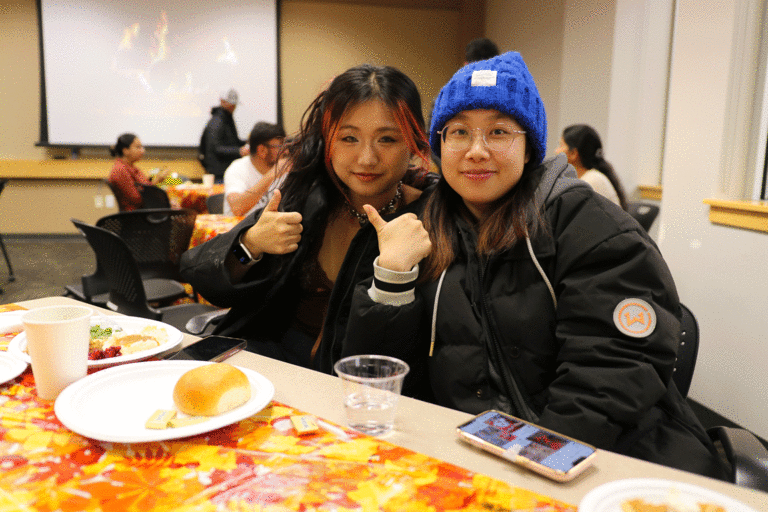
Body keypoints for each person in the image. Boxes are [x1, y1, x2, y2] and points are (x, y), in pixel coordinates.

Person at [339, 52, 727, 479]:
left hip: (595, 462)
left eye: (499, 132)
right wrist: (392, 278)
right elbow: (375, 376)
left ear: (529, 148)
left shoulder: (589, 226)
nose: (476, 151)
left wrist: (530, 467)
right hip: (463, 453)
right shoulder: (420, 229)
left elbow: (611, 373)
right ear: (438, 146)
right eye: (459, 132)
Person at [180, 63, 438, 369]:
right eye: (349, 138)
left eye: (387, 139)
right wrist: (250, 244)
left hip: (346, 385)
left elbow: (405, 360)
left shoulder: (429, 221)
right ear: (328, 141)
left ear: (413, 143)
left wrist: (394, 276)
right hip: (265, 363)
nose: (367, 158)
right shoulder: (308, 197)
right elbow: (200, 275)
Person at [556, 124, 627, 210]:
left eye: (561, 146)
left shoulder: (592, 181)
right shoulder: (585, 179)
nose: (556, 151)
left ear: (573, 154)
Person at [223, 122, 286, 217]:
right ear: (262, 150)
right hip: (239, 229)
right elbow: (237, 208)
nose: (285, 151)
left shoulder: (284, 169)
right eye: (280, 146)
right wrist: (272, 174)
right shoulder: (237, 168)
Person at [108, 133, 169, 211]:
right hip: (137, 216)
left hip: (145, 212)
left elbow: (146, 187)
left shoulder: (131, 167)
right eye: (138, 147)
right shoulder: (120, 171)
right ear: (125, 151)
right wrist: (157, 181)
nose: (143, 151)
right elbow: (139, 200)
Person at [199, 89, 249, 182]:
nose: (233, 107)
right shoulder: (217, 122)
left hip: (225, 171)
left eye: (234, 104)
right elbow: (216, 148)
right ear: (222, 101)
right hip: (219, 173)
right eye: (231, 104)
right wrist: (239, 151)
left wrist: (246, 143)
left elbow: (232, 141)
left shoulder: (226, 119)